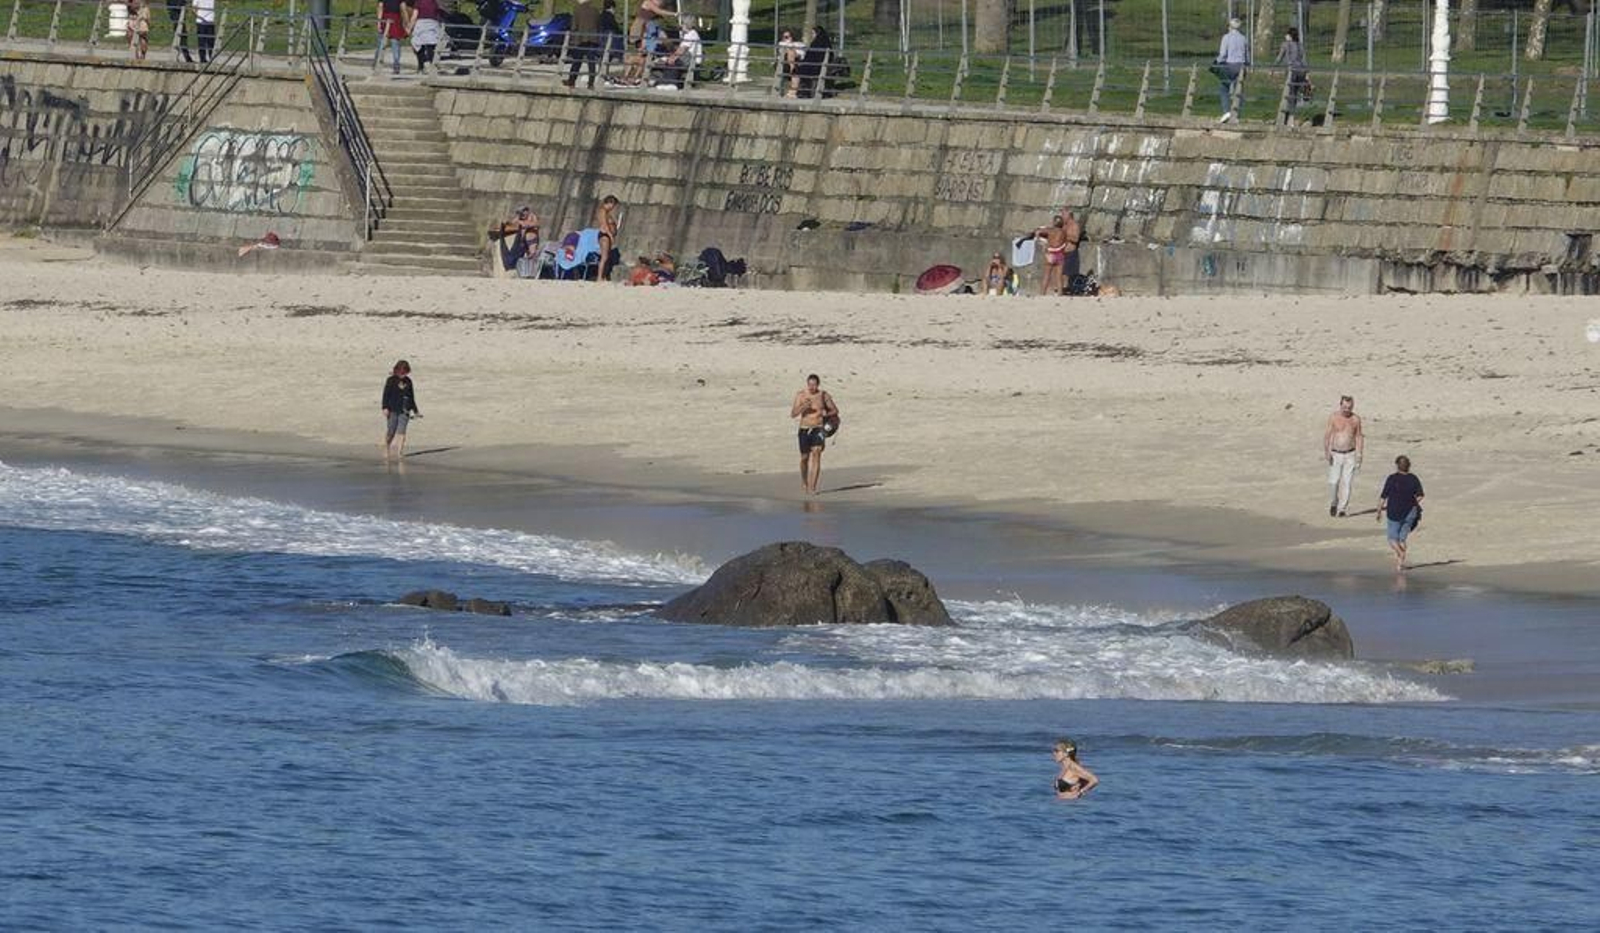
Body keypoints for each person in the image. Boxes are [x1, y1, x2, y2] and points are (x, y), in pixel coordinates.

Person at [790, 373, 838, 496]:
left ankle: (813, 487)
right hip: (804, 429)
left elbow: (835, 410)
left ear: (818, 385)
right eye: (810, 384)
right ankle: (804, 481)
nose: (812, 387)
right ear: (807, 384)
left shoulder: (823, 395)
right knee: (804, 458)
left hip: (819, 428)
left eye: (814, 385)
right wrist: (802, 407)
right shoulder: (801, 395)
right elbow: (793, 414)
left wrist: (825, 414)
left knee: (817, 453)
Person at [1377, 455, 1425, 573]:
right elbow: (1421, 495)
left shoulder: (1392, 478)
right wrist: (1413, 502)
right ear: (1408, 466)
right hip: (1410, 511)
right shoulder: (1413, 478)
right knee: (1402, 538)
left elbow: (1384, 496)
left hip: (1394, 511)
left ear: (1397, 466)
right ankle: (1399, 565)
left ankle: (1400, 553)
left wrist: (1379, 510)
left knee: (1392, 539)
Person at [1323, 394, 1364, 517]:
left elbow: (1359, 436)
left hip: (1350, 454)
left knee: (1347, 481)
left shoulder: (1355, 419)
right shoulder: (1334, 417)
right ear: (1340, 405)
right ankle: (1334, 502)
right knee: (1334, 481)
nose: (1347, 410)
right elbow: (1327, 435)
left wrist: (1360, 455)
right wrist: (1327, 451)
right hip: (1336, 453)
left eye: (1350, 407)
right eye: (1345, 407)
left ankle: (1342, 509)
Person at [622, 0, 674, 86]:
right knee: (636, 57)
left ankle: (632, 78)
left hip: (649, 48)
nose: (660, 4)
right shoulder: (648, 3)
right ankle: (628, 77)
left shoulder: (655, 28)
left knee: (639, 59)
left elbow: (664, 40)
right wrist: (674, 14)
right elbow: (658, 11)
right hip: (639, 31)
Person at [381, 360, 420, 460]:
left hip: (405, 410)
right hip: (392, 409)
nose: (404, 375)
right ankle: (386, 447)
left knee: (402, 431)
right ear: (397, 370)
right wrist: (385, 407)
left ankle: (399, 453)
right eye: (402, 373)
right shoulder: (390, 380)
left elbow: (411, 397)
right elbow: (386, 395)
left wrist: (415, 410)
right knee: (391, 431)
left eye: (406, 373)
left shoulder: (408, 381)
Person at [488, 205, 540, 277]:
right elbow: (513, 223)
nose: (522, 215)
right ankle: (526, 271)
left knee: (532, 254)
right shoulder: (519, 217)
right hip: (522, 240)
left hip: (530, 237)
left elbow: (536, 224)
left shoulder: (532, 216)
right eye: (520, 213)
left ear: (527, 211)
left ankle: (534, 272)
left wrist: (524, 224)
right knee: (524, 255)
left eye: (523, 213)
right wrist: (507, 223)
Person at [1215, 17, 1249, 123]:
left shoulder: (1226, 37)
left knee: (1224, 88)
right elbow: (1247, 55)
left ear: (1230, 27)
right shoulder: (1243, 38)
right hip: (1241, 66)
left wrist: (1217, 62)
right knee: (1239, 90)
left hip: (1230, 65)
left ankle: (1226, 111)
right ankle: (1237, 115)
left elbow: (1223, 54)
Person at [565, 0, 602, 89]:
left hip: (580, 39)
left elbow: (574, 25)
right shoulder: (595, 10)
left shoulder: (577, 9)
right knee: (591, 62)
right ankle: (591, 83)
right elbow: (598, 24)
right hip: (592, 39)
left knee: (577, 61)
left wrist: (571, 39)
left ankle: (571, 81)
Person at [1275, 26, 1310, 117]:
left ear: (1290, 36)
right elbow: (1304, 59)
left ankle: (1289, 113)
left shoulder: (1285, 44)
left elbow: (1280, 57)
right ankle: (1292, 112)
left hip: (1292, 70)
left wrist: (1273, 67)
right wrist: (1307, 73)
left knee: (1291, 92)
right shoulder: (1300, 45)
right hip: (1301, 70)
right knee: (1295, 92)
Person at [1034, 215, 1072, 296]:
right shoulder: (1063, 232)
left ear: (1054, 223)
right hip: (1060, 254)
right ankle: (1060, 293)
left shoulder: (1049, 230)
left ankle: (1042, 293)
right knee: (1059, 276)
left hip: (1050, 254)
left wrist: (1041, 241)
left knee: (1047, 275)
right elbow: (1065, 242)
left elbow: (1037, 231)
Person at [405, 0, 443, 75]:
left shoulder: (418, 2)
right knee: (431, 47)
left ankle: (421, 67)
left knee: (418, 46)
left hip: (421, 24)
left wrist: (409, 27)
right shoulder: (434, 2)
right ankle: (433, 67)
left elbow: (414, 16)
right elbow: (438, 15)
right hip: (432, 24)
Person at [375, 0, 408, 76]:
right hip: (394, 18)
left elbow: (380, 7)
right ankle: (396, 65)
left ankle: (377, 64)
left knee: (382, 43)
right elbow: (403, 8)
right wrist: (406, 23)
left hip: (388, 18)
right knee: (395, 44)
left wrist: (379, 22)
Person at [593, 194, 620, 280]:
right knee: (604, 257)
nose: (613, 207)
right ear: (610, 203)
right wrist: (611, 236)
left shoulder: (606, 212)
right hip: (605, 235)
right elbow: (605, 225)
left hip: (606, 235)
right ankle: (599, 277)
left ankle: (604, 276)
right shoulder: (602, 211)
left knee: (607, 257)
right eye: (613, 205)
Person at [778, 28, 805, 97]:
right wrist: (790, 47)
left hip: (797, 63)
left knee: (792, 53)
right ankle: (792, 91)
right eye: (785, 37)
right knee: (790, 52)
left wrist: (792, 47)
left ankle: (792, 91)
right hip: (785, 64)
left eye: (788, 36)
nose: (786, 39)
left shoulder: (799, 44)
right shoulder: (781, 43)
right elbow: (782, 52)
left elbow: (801, 54)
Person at [194, 0, 216, 65]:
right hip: (201, 21)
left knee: (210, 41)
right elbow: (194, 8)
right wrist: (200, 16)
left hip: (210, 20)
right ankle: (203, 58)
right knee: (202, 41)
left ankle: (211, 57)